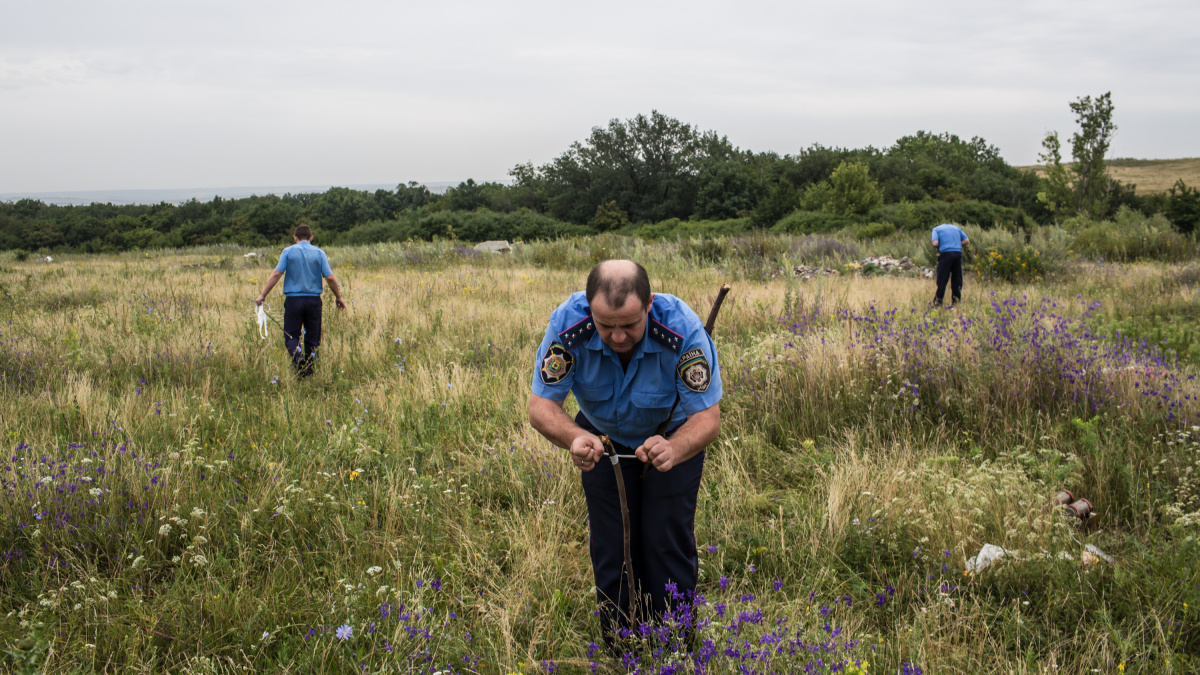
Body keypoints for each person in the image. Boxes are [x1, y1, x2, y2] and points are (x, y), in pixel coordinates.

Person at [528, 260, 722, 637]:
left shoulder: (681, 328)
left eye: (630, 325)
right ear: (588, 308)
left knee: (666, 538)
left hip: (671, 436)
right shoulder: (568, 327)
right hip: (601, 438)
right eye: (606, 326)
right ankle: (622, 642)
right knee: (613, 543)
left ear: (649, 304)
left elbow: (707, 419)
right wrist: (574, 438)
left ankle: (675, 643)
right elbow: (541, 407)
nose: (618, 337)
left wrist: (674, 449)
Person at [254, 224, 346, 377]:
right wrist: (338, 297)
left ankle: (297, 358)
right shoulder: (319, 253)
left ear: (294, 238)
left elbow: (277, 274)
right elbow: (329, 277)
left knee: (291, 335)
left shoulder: (288, 252)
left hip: (293, 301)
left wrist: (263, 295)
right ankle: (308, 370)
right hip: (314, 301)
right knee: (313, 337)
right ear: (311, 238)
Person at [931, 222, 969, 306]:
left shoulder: (936, 229)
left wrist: (940, 247)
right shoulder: (956, 228)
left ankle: (938, 300)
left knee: (942, 278)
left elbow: (935, 243)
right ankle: (956, 301)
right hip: (957, 254)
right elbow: (966, 241)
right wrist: (957, 244)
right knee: (957, 278)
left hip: (945, 255)